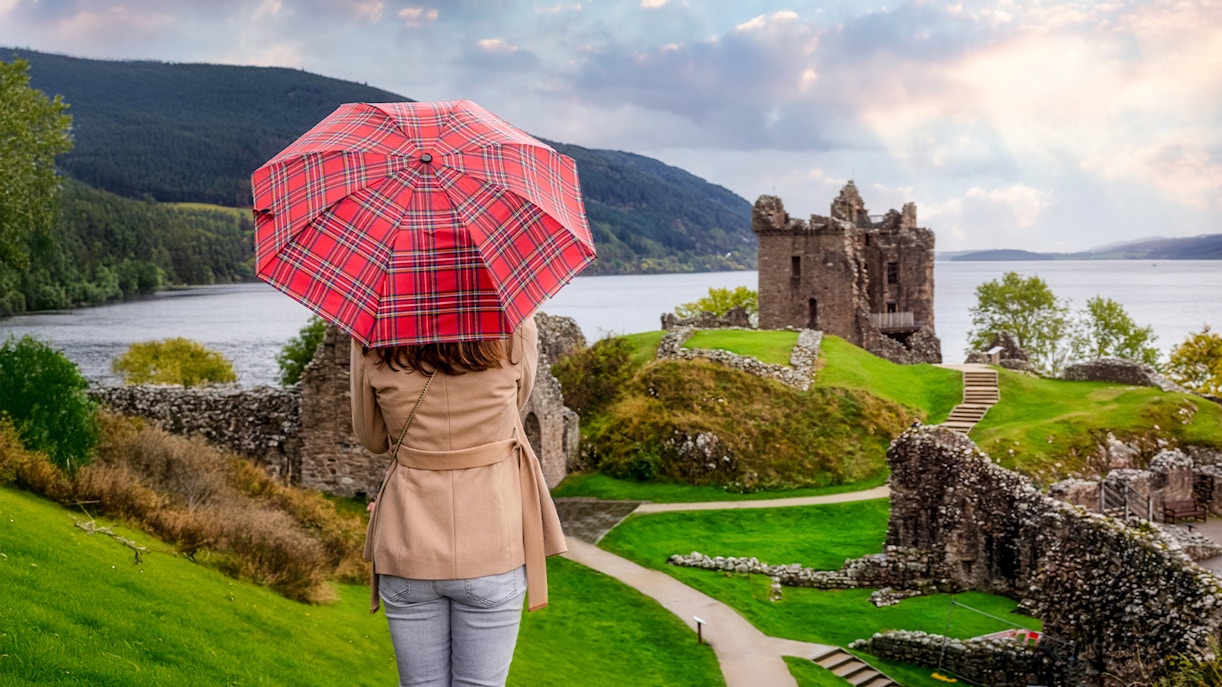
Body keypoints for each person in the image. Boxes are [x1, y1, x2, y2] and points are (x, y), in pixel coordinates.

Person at [351, 315, 567, 687]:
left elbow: (372, 438)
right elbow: (514, 409)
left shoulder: (371, 331)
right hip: (493, 542)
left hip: (408, 543)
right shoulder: (515, 324)